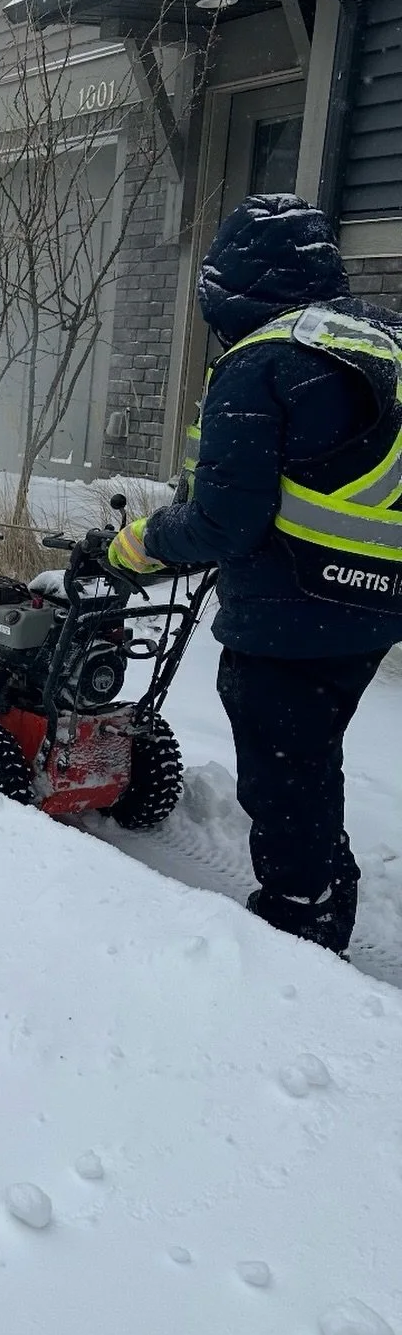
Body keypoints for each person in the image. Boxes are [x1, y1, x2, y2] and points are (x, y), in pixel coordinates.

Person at [109, 193, 402, 956]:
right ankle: (327, 887)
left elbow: (224, 521)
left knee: (282, 770)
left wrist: (136, 544)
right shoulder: (382, 339)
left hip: (294, 604)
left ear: (233, 287)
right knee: (309, 755)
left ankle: (298, 923)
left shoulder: (263, 359)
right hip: (376, 600)